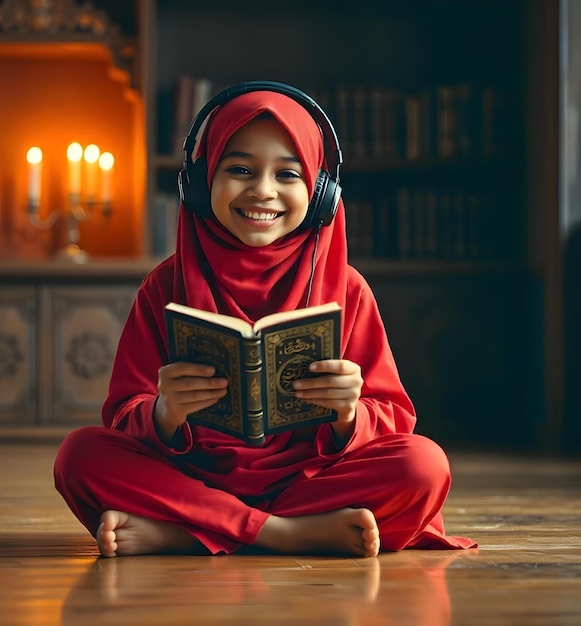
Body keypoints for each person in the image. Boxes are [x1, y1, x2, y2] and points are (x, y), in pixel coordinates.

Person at [54, 82, 477, 558]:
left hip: (309, 482)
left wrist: (348, 414)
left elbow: (395, 420)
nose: (262, 190)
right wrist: (164, 412)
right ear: (200, 181)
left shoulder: (349, 288)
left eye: (288, 174)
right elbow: (122, 417)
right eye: (239, 169)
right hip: (195, 477)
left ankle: (189, 533)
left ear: (320, 193)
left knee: (423, 466)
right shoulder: (162, 287)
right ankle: (287, 534)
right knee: (79, 456)